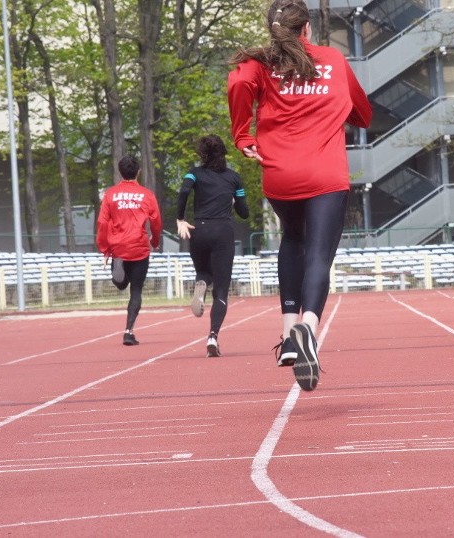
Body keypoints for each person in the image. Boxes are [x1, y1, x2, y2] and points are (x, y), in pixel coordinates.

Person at [227, 0, 372, 391]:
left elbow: (238, 83)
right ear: (306, 29)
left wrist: (242, 133)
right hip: (325, 175)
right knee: (319, 255)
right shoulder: (332, 60)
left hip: (280, 176)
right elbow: (363, 114)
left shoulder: (259, 64)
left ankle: (289, 332)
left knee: (293, 240)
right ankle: (308, 326)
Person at [175, 134, 250, 357]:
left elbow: (184, 191)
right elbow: (244, 214)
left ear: (202, 154)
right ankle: (213, 336)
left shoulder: (194, 173)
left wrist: (180, 218)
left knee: (203, 272)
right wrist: (235, 201)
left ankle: (200, 284)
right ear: (224, 154)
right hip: (223, 231)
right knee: (221, 290)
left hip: (199, 229)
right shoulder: (234, 178)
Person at [96, 154, 162, 346]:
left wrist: (105, 249)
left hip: (118, 247)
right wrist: (155, 241)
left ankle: (119, 275)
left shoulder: (110, 194)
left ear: (120, 172)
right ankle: (128, 331)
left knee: (121, 284)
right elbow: (156, 221)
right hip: (139, 247)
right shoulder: (147, 195)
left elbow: (102, 222)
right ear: (138, 172)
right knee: (136, 290)